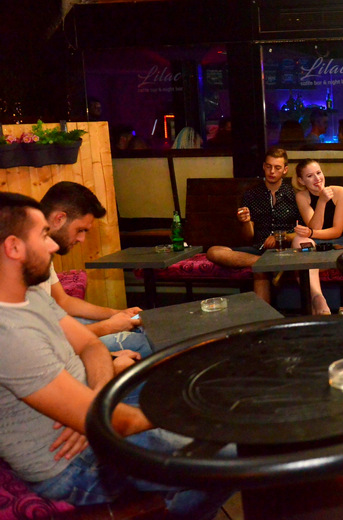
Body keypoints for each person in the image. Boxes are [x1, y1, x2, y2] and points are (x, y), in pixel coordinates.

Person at [0, 192, 231, 518]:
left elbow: (91, 345)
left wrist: (95, 399)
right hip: (72, 464)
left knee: (188, 382)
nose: (53, 246)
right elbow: (114, 422)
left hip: (94, 418)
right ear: (13, 247)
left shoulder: (30, 293)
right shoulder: (8, 334)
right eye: (43, 236)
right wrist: (188, 412)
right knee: (230, 454)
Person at [36, 182, 151, 357]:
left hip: (51, 328)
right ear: (59, 219)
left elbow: (63, 301)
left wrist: (117, 314)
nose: (82, 239)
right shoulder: (24, 260)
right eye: (80, 230)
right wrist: (107, 327)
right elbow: (40, 340)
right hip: (44, 346)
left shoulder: (43, 249)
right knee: (144, 344)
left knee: (139, 328)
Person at [207, 148, 300, 302]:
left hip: (286, 249)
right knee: (213, 252)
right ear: (263, 166)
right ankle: (269, 264)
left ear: (285, 170)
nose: (272, 171)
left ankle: (265, 266)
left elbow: (306, 231)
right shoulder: (251, 194)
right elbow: (248, 237)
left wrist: (281, 236)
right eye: (268, 166)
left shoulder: (294, 194)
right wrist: (245, 222)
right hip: (258, 248)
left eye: (277, 168)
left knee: (259, 270)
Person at [290, 160, 343, 315]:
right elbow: (315, 227)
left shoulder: (340, 192)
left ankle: (316, 303)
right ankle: (318, 298)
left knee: (303, 260)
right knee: (299, 241)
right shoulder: (302, 196)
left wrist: (310, 233)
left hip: (338, 247)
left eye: (318, 173)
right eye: (310, 176)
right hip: (314, 249)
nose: (317, 179)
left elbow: (337, 231)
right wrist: (322, 201)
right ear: (301, 181)